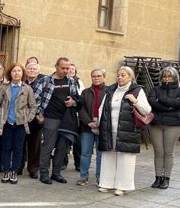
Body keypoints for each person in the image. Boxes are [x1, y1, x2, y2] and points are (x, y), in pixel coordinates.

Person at [97, 66, 152, 195]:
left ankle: (122, 186)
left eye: (123, 75)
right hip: (110, 129)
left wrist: (135, 101)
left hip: (128, 130)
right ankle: (107, 183)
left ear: (130, 77)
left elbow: (147, 110)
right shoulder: (111, 90)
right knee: (108, 156)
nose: (120, 77)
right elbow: (102, 108)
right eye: (118, 75)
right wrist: (101, 124)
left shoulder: (137, 90)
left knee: (125, 158)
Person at [32, 57, 80, 184]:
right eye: (62, 68)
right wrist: (39, 115)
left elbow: (76, 98)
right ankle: (43, 173)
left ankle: (56, 173)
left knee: (62, 148)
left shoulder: (71, 81)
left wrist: (73, 102)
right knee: (47, 147)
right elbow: (34, 100)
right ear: (56, 66)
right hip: (50, 119)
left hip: (66, 120)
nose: (65, 70)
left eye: (67, 68)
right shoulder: (45, 81)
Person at [0, 63, 36, 184]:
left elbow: (33, 106)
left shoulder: (27, 89)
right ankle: (6, 170)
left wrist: (28, 118)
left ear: (22, 74)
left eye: (19, 71)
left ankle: (14, 171)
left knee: (18, 148)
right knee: (6, 148)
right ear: (10, 74)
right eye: (14, 71)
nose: (16, 73)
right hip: (6, 123)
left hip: (20, 124)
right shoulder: (4, 87)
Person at [148, 66, 180, 189]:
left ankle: (166, 178)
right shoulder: (155, 89)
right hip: (156, 124)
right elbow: (152, 102)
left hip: (173, 125)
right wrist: (169, 106)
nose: (167, 78)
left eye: (169, 76)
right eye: (165, 76)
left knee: (168, 152)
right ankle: (158, 177)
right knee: (158, 152)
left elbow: (177, 104)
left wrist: (160, 100)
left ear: (175, 77)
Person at [77, 68, 106, 186]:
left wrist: (101, 122)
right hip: (87, 127)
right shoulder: (85, 92)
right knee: (85, 153)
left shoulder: (109, 92)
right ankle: (83, 177)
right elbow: (80, 108)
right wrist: (88, 122)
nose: (96, 78)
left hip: (102, 127)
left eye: (99, 76)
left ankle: (100, 178)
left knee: (101, 154)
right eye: (93, 76)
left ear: (104, 77)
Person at [21, 60, 45, 178]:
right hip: (21, 118)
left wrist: (41, 116)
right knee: (20, 143)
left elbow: (45, 102)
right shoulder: (21, 83)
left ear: (38, 71)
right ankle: (18, 167)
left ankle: (33, 169)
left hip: (36, 119)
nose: (32, 71)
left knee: (34, 146)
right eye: (30, 68)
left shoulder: (42, 84)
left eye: (34, 69)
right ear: (25, 70)